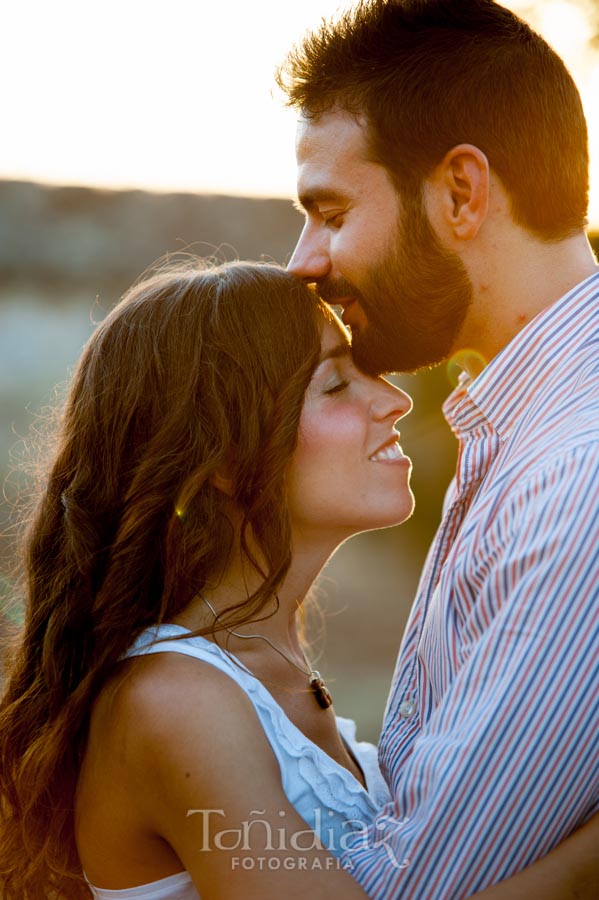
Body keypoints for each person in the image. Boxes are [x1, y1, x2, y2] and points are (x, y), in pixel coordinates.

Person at [0, 261, 594, 900]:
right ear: (224, 456)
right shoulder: (173, 701)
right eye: (337, 384)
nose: (395, 399)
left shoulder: (261, 665)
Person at [275, 0, 599, 896]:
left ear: (461, 191)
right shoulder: (526, 430)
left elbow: (424, 889)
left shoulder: (577, 476)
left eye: (331, 210)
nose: (306, 260)